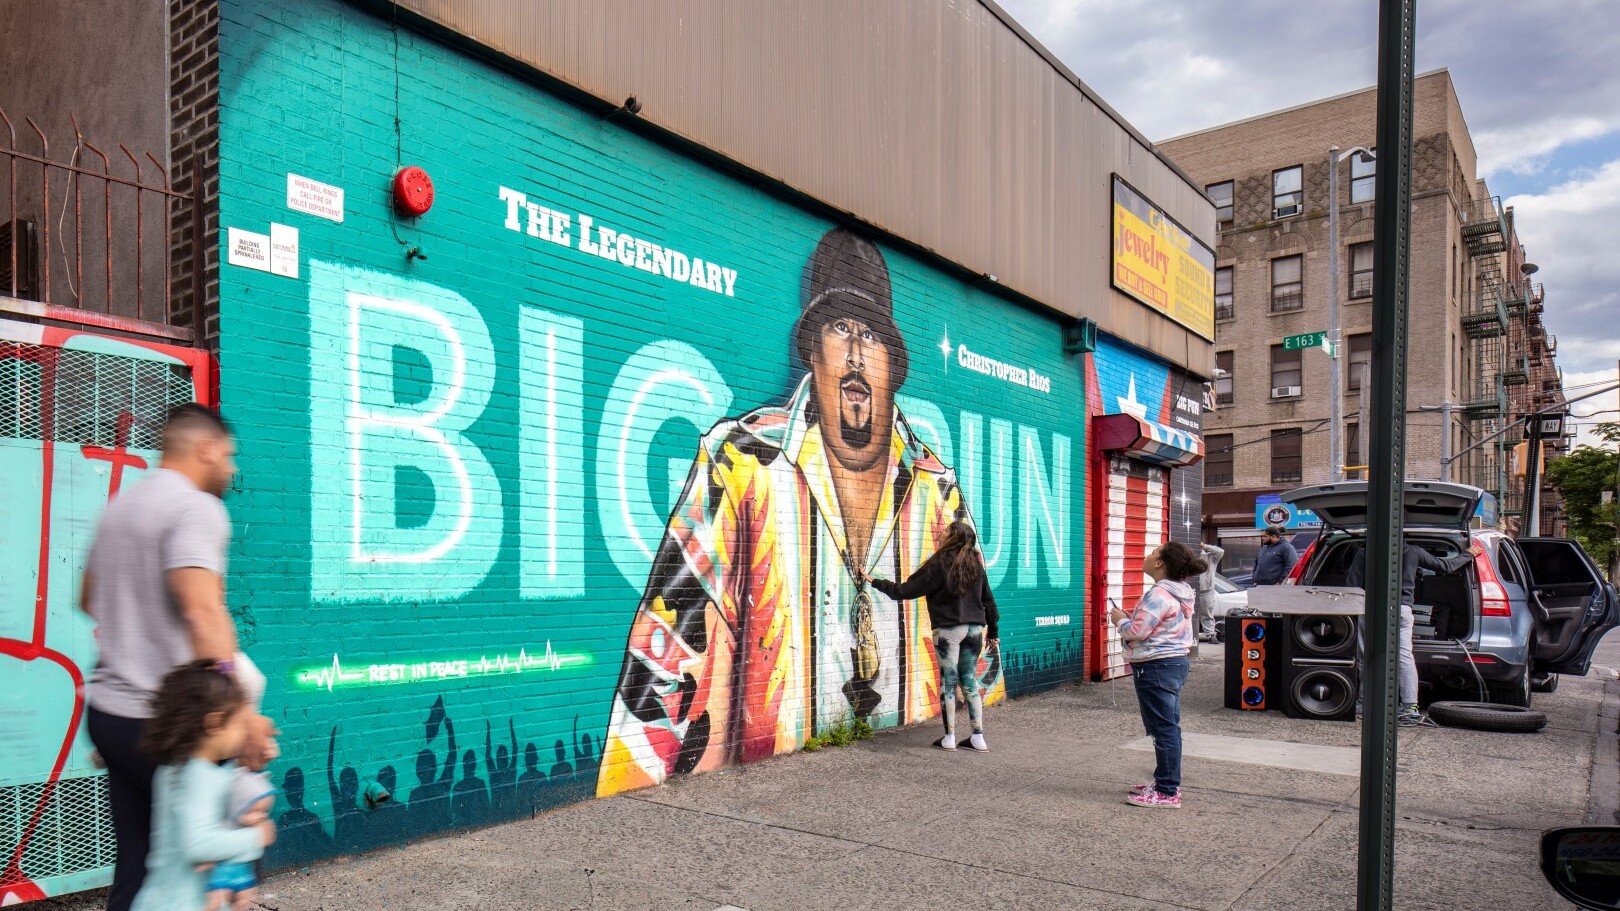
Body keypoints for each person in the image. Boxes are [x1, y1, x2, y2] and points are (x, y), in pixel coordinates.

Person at [599, 227, 993, 796]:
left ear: (892, 365)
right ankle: (968, 733)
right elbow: (660, 681)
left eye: (873, 335)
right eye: (840, 329)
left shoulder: (937, 487)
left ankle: (962, 731)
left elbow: (987, 648)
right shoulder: (739, 463)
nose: (857, 351)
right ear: (812, 352)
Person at [81, 403, 275, 911]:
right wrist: (243, 715)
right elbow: (202, 611)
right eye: (229, 456)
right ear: (205, 449)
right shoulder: (196, 508)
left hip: (110, 716)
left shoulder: (121, 507)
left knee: (142, 866)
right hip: (175, 725)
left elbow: (87, 599)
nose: (232, 469)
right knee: (217, 864)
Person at [133, 661, 275, 911]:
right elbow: (198, 845)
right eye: (239, 725)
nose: (243, 734)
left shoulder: (174, 767)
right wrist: (256, 837)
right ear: (214, 724)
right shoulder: (200, 775)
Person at [866, 520, 1001, 752]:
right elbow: (989, 602)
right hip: (975, 630)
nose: (941, 532)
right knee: (968, 680)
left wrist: (875, 581)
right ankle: (978, 737)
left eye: (946, 530)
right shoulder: (976, 566)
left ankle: (949, 737)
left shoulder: (939, 562)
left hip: (949, 630)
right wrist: (993, 633)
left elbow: (905, 591)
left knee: (948, 682)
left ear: (953, 537)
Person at [1110, 542, 1205, 809]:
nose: (1148, 555)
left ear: (1161, 564)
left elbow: (1137, 632)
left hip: (1156, 666)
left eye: (1153, 553)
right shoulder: (1181, 592)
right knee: (1166, 727)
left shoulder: (1159, 594)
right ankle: (1165, 781)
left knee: (1163, 730)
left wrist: (1119, 619)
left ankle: (1167, 791)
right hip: (1172, 664)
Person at [1346, 540, 1481, 725]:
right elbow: (1446, 566)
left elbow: (1352, 586)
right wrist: (1468, 554)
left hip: (1370, 609)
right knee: (1404, 657)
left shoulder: (1365, 553)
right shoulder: (1414, 551)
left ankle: (1363, 703)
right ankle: (1410, 707)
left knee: (1366, 656)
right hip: (1401, 610)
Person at [1193, 542, 1226, 642]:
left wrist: (1205, 546)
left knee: (1207, 613)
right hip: (1191, 589)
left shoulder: (1210, 557)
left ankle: (1211, 635)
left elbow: (1220, 551)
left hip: (1206, 590)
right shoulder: (1189, 557)